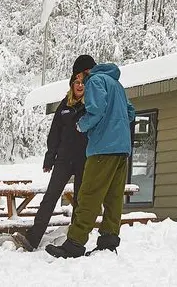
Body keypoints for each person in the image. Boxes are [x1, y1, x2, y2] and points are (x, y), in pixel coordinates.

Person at [44, 55, 135, 259]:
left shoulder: (94, 80)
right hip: (122, 148)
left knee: (88, 195)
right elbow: (130, 112)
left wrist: (81, 125)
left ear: (84, 71)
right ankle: (108, 241)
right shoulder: (116, 84)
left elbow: (96, 110)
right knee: (113, 197)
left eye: (78, 75)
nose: (79, 80)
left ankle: (74, 244)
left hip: (103, 148)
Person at [14, 57, 90, 252]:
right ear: (72, 85)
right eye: (76, 82)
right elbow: (54, 133)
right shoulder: (64, 106)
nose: (79, 85)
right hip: (64, 158)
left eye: (82, 83)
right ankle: (33, 238)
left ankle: (74, 239)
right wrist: (50, 158)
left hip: (85, 159)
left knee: (80, 200)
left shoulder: (92, 105)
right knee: (50, 196)